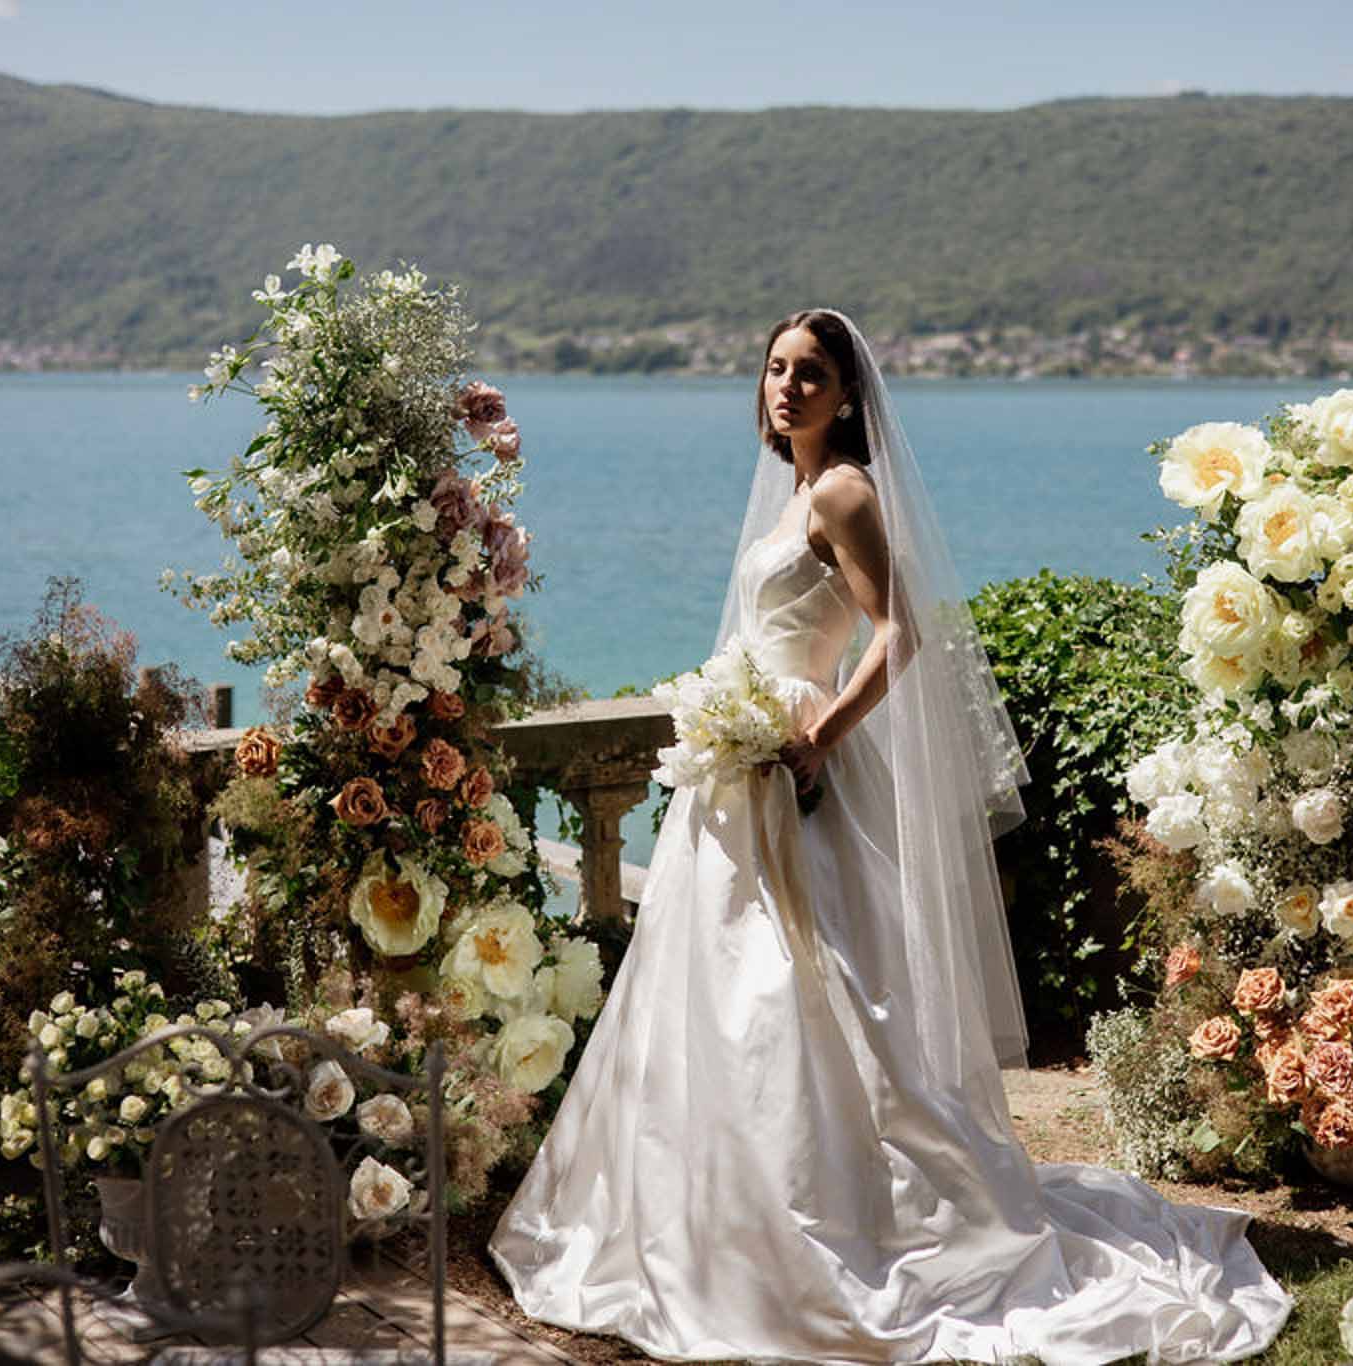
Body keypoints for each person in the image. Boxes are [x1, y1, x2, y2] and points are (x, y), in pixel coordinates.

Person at [490, 309, 1290, 1363]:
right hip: (739, 775)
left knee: (805, 994)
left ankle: (828, 1216)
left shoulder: (844, 491)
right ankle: (718, 1214)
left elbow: (898, 632)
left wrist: (822, 725)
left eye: (809, 374)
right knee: (723, 994)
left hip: (803, 761)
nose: (786, 388)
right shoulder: (790, 492)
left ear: (846, 395)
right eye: (774, 369)